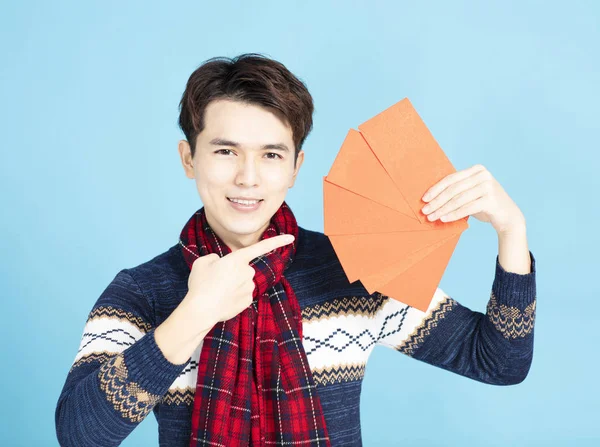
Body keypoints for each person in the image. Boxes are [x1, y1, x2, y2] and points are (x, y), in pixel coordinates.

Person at [55, 53, 537, 447]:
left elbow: (498, 361)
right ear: (189, 158)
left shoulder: (351, 267)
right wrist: (192, 315)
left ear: (295, 167)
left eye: (271, 154)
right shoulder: (144, 290)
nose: (248, 178)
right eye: (225, 151)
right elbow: (79, 434)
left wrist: (511, 230)